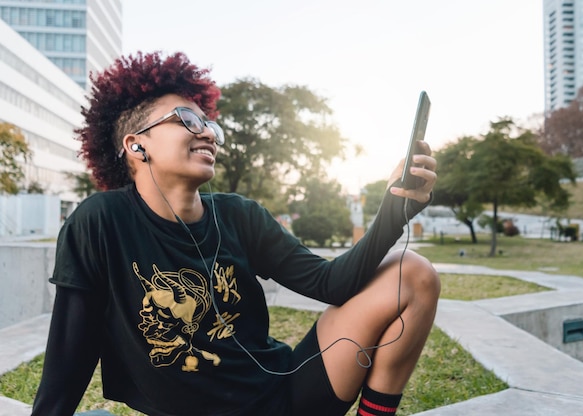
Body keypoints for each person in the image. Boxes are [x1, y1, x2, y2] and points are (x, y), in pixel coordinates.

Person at [31, 51, 440, 416]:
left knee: (414, 273)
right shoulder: (100, 221)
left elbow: (330, 283)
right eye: (188, 120)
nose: (207, 132)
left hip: (285, 398)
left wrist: (394, 210)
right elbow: (71, 353)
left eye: (209, 124)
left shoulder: (239, 215)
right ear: (137, 146)